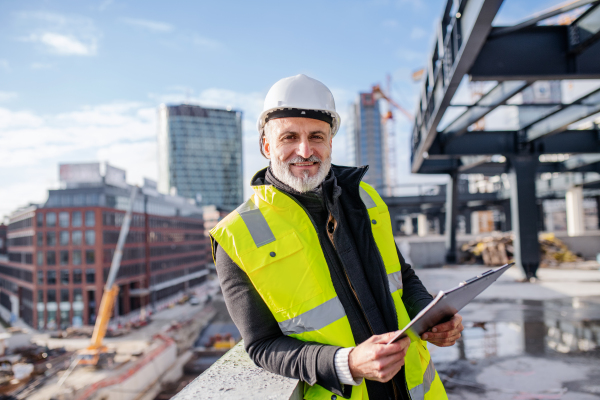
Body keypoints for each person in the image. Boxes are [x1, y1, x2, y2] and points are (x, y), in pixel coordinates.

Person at [210, 74, 463, 400]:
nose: (305, 150)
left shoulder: (366, 199)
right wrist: (347, 363)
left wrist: (432, 316)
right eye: (289, 137)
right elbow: (262, 345)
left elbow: (402, 276)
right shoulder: (237, 236)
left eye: (317, 136)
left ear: (331, 142)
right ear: (267, 145)